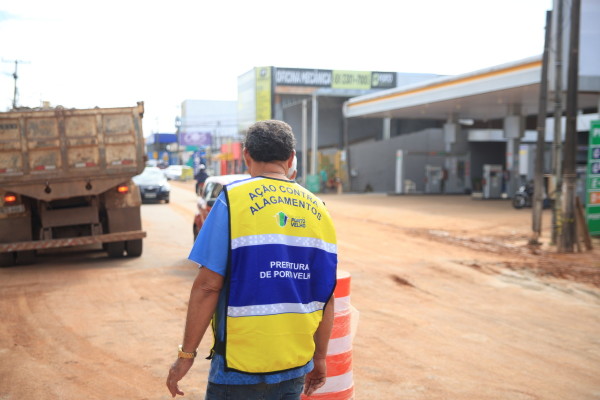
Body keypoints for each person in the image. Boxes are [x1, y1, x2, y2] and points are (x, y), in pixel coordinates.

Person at [167, 120, 338, 400]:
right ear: (291, 158)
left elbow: (208, 286)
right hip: (294, 365)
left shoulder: (232, 200)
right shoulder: (320, 210)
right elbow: (326, 296)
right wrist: (319, 358)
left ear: (247, 155)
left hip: (239, 367)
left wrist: (186, 356)